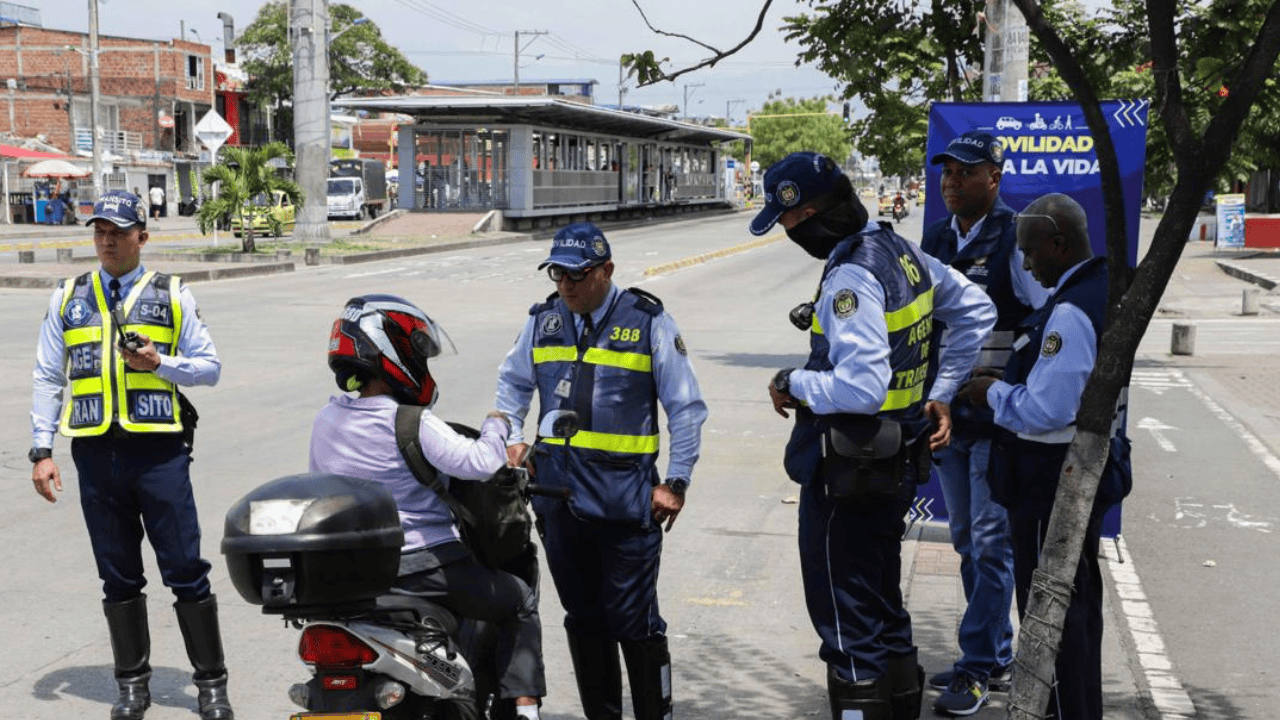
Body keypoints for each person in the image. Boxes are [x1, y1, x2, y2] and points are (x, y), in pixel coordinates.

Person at [750, 152, 995, 720]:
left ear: (811, 214)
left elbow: (860, 386)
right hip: (896, 458)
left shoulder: (852, 276)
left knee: (847, 621)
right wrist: (943, 388)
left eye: (787, 220)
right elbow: (976, 312)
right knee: (883, 609)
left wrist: (794, 381)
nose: (787, 232)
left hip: (849, 471)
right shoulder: (900, 250)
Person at [28, 190, 232, 720]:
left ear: (142, 235)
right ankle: (132, 686)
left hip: (159, 453)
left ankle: (211, 685)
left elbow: (208, 367)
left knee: (186, 568)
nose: (107, 241)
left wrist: (159, 363)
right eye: (99, 231)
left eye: (119, 232)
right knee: (117, 574)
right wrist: (42, 449)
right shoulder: (68, 295)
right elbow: (49, 376)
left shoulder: (172, 293)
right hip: (95, 454)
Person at [495, 222, 708, 720]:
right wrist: (512, 438)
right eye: (557, 275)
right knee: (584, 622)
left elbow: (686, 408)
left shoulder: (648, 320)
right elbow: (511, 382)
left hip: (625, 502)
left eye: (577, 275)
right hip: (557, 500)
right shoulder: (543, 319)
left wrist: (675, 481)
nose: (566, 285)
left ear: (606, 271)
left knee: (635, 624)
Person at [310, 294, 545, 720]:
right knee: (520, 601)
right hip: (425, 568)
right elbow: (480, 462)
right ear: (394, 353)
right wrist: (498, 422)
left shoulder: (327, 420)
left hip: (353, 572)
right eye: (419, 353)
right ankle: (526, 713)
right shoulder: (407, 421)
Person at [956, 193, 1131, 720]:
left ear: (1059, 243)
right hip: (1066, 475)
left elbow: (1047, 409)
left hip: (1048, 480)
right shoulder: (1095, 290)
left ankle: (1058, 709)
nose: (1027, 265)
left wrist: (989, 392)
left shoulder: (1071, 310)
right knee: (1074, 612)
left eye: (1031, 252)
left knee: (1050, 615)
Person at [920, 130, 1052, 715]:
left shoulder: (1014, 236)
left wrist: (1014, 389)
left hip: (996, 418)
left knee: (991, 546)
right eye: (947, 172)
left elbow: (1044, 317)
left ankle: (976, 667)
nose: (951, 182)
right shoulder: (934, 237)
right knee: (969, 541)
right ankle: (994, 654)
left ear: (994, 177)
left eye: (966, 172)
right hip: (948, 413)